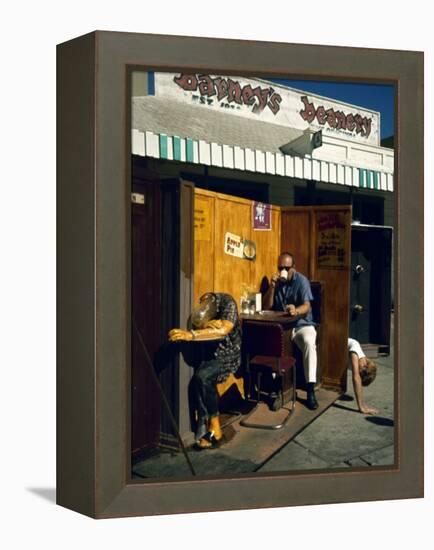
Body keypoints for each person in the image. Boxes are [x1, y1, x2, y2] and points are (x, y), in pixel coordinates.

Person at [168, 292, 241, 449]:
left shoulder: (228, 303)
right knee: (199, 379)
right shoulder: (205, 306)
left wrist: (191, 335)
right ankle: (204, 421)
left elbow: (223, 331)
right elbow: (200, 322)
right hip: (208, 352)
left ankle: (215, 425)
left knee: (203, 377)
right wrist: (208, 325)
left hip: (228, 353)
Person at [263, 252, 318, 410]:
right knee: (268, 340)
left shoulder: (301, 281)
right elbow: (267, 307)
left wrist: (296, 310)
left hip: (301, 324)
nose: (283, 271)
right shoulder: (278, 281)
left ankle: (310, 390)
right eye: (280, 267)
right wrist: (272, 288)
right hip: (283, 327)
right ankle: (277, 386)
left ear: (293, 267)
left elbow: (307, 306)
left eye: (287, 268)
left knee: (309, 342)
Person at [348, 338, 378, 415]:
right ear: (365, 366)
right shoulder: (355, 350)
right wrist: (361, 407)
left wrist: (364, 405)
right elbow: (356, 378)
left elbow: (358, 380)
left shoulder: (361, 362)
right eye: (360, 373)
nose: (358, 372)